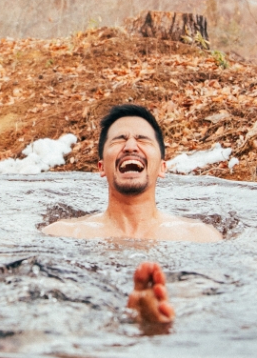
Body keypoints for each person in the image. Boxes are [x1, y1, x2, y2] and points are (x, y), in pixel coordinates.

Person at [43, 104, 220, 329]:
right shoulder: (62, 233)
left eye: (143, 139)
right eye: (119, 139)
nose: (130, 146)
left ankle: (153, 313)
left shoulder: (200, 236)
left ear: (162, 167)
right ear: (101, 167)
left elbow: (208, 303)